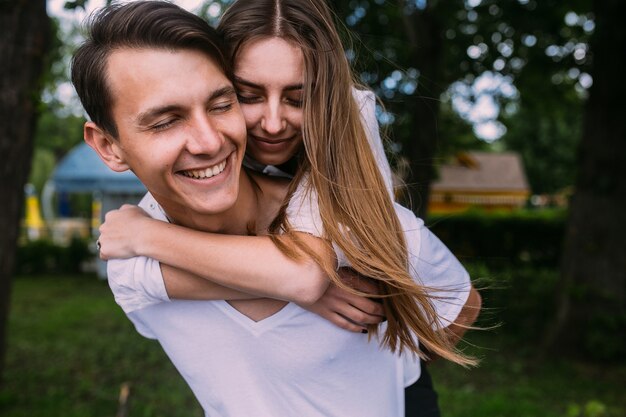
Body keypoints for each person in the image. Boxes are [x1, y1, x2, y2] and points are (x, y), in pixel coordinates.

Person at [75, 1, 479, 416]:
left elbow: (457, 305)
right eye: (246, 95)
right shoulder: (128, 263)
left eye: (220, 105)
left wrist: (391, 373)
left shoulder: (349, 209)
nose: (270, 124)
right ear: (108, 145)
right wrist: (298, 287)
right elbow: (298, 278)